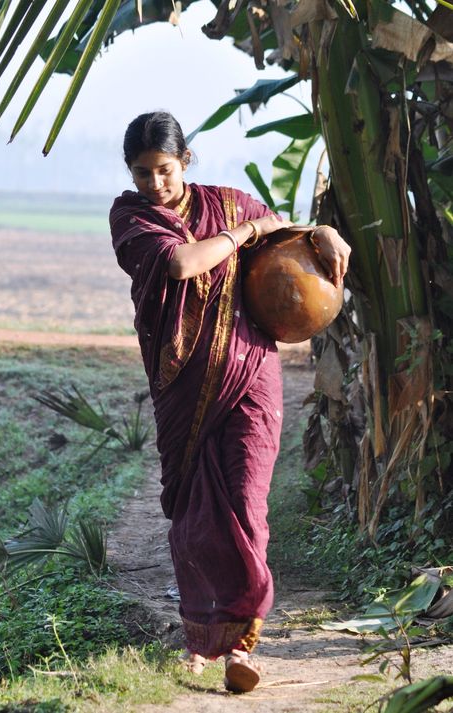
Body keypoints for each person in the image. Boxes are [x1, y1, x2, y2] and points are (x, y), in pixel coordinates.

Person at [110, 111, 350, 693]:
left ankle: (241, 642)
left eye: (164, 171)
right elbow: (181, 263)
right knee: (196, 515)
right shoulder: (131, 216)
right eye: (143, 174)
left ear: (185, 162)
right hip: (184, 386)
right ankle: (201, 634)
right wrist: (245, 235)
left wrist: (323, 233)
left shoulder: (230, 203)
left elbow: (283, 232)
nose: (154, 185)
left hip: (252, 375)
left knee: (245, 501)